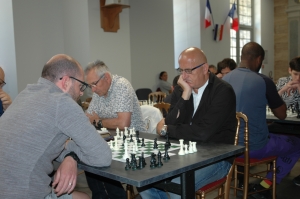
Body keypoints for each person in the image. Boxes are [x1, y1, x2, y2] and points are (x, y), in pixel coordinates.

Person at [0, 54, 112, 199]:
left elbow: (44, 146)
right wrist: (73, 154)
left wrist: (71, 157)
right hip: (25, 193)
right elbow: (102, 156)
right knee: (85, 197)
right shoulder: (63, 103)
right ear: (66, 82)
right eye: (80, 86)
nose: (81, 92)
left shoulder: (25, 95)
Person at [138, 47, 236, 199]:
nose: (183, 76)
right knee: (146, 184)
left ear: (204, 68)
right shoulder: (182, 88)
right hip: (185, 154)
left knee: (177, 189)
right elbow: (171, 120)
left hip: (217, 158)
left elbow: (202, 133)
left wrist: (167, 129)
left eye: (189, 71)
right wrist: (185, 95)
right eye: (181, 70)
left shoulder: (222, 91)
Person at [223, 42, 300, 199]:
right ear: (258, 59)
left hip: (227, 147)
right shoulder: (263, 80)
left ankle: (248, 183)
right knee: (297, 143)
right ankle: (268, 184)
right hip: (254, 147)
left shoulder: (224, 79)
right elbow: (282, 115)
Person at [84, 60, 146, 199]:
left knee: (102, 159)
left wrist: (98, 121)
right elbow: (87, 118)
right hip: (112, 139)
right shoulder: (98, 92)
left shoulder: (121, 86)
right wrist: (98, 121)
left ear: (106, 77)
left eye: (94, 84)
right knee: (88, 156)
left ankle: (116, 196)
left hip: (134, 140)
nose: (92, 89)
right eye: (90, 86)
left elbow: (123, 123)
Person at [275, 56, 300, 186]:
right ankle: (281, 166)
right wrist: (283, 90)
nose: (298, 78)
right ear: (290, 70)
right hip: (283, 123)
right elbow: (271, 103)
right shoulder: (282, 81)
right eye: (295, 74)